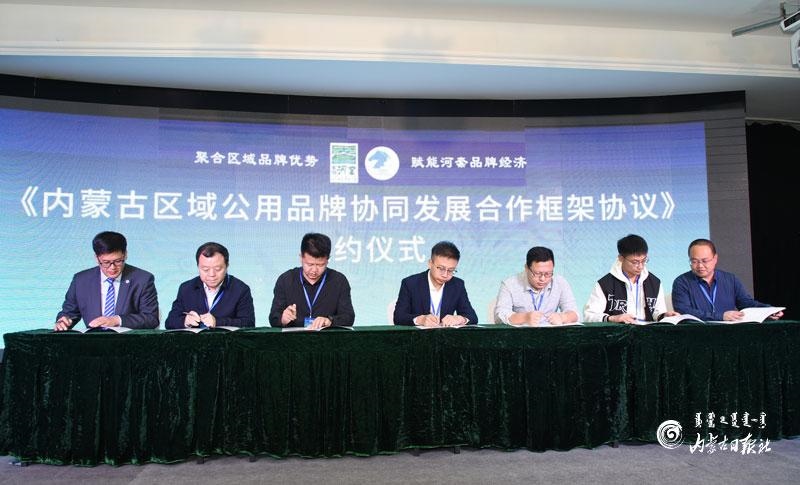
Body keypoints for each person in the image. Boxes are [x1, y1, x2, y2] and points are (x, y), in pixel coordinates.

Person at [54, 231, 159, 331]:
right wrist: (63, 321)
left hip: (128, 341)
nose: (112, 267)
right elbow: (69, 312)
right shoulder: (81, 280)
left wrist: (117, 320)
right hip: (92, 340)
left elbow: (151, 319)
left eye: (118, 261)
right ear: (97, 258)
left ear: (125, 254)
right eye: (106, 262)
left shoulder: (143, 279)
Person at [671, 238, 784, 321]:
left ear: (715, 259)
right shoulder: (681, 282)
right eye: (694, 261)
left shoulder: (730, 279)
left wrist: (768, 310)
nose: (700, 266)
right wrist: (720, 316)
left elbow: (746, 303)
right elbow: (684, 311)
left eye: (704, 261)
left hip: (728, 333)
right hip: (696, 333)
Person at [268, 233, 355, 329]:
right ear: (301, 257)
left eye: (320, 265)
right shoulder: (286, 280)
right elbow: (273, 318)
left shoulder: (339, 281)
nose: (314, 270)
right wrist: (283, 319)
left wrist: (330, 320)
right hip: (293, 338)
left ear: (327, 260)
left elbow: (349, 317)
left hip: (327, 337)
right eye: (309, 264)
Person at [584, 234, 676, 323]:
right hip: (617, 332)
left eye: (644, 261)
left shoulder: (655, 283)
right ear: (621, 258)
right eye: (635, 262)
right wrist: (612, 318)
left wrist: (664, 316)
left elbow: (658, 312)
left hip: (647, 331)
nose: (640, 266)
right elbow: (590, 315)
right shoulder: (605, 284)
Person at [165, 242, 255, 329]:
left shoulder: (240, 289)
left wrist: (217, 322)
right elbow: (169, 322)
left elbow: (249, 323)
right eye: (205, 269)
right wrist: (185, 321)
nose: (211, 274)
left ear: (227, 266)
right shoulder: (186, 288)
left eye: (217, 269)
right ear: (198, 266)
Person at [393, 241, 478, 327]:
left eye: (451, 270)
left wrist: (460, 319)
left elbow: (473, 317)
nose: (445, 275)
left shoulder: (457, 285)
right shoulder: (411, 283)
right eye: (441, 268)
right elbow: (398, 317)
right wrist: (420, 320)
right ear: (430, 264)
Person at [494, 246, 580, 325]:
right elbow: (499, 316)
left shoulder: (560, 282)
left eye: (548, 274)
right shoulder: (510, 284)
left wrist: (562, 317)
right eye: (537, 273)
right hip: (520, 335)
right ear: (526, 268)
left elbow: (574, 313)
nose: (542, 278)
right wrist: (525, 318)